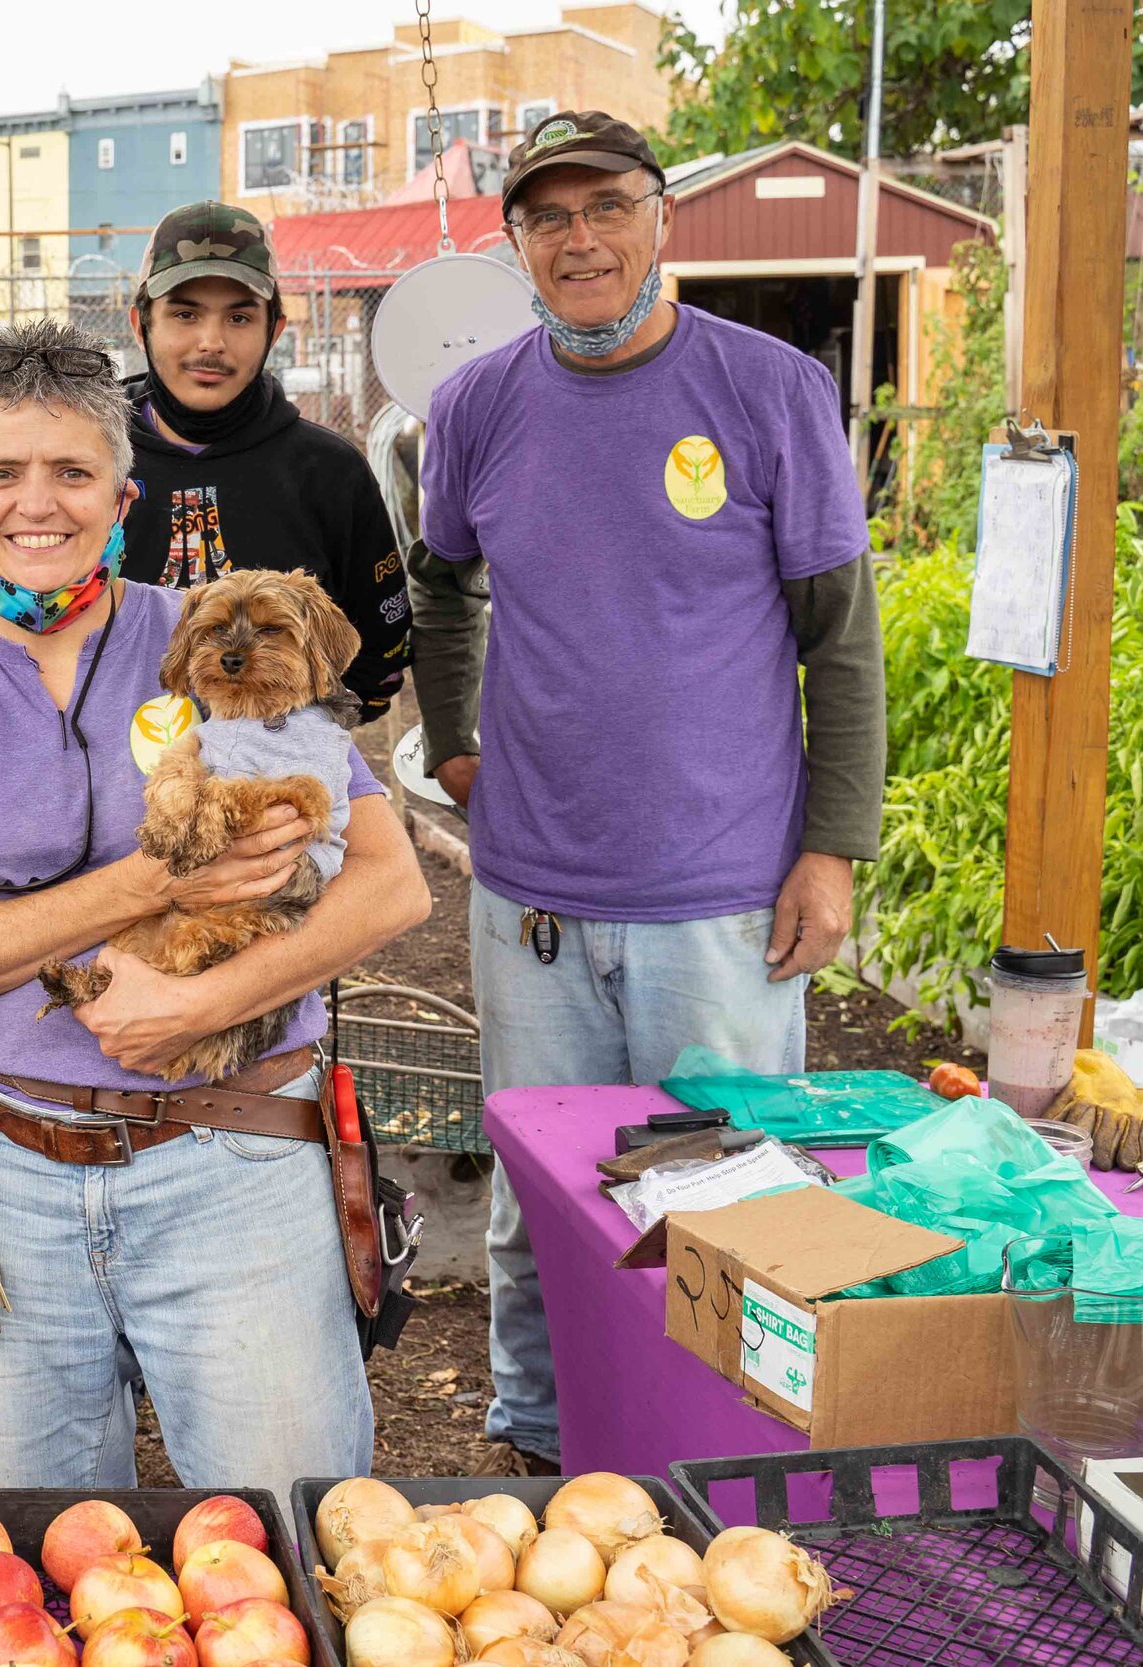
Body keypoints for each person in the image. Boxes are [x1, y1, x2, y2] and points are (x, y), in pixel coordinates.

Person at [0, 318, 431, 1495]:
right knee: (69, 1551)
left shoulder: (216, 632)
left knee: (283, 1527)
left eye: (71, 472)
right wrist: (151, 881)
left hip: (231, 1155)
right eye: (1, 473)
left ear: (123, 494)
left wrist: (197, 1002)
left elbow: (391, 881)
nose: (37, 505)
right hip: (1, 1170)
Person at [413, 111, 886, 1474]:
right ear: (516, 243)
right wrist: (454, 736)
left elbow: (839, 636)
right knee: (537, 1201)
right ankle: (542, 1446)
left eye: (607, 206)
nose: (581, 239)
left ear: (660, 216)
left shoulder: (766, 388)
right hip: (531, 895)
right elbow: (444, 583)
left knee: (728, 1198)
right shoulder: (480, 403)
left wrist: (832, 846)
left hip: (720, 894)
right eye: (549, 218)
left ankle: (721, 1462)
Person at [118, 201, 411, 717]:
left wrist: (298, 740)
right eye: (185, 313)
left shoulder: (329, 472)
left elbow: (379, 654)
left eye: (239, 317)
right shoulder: (87, 461)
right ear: (141, 325)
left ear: (274, 330)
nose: (211, 343)